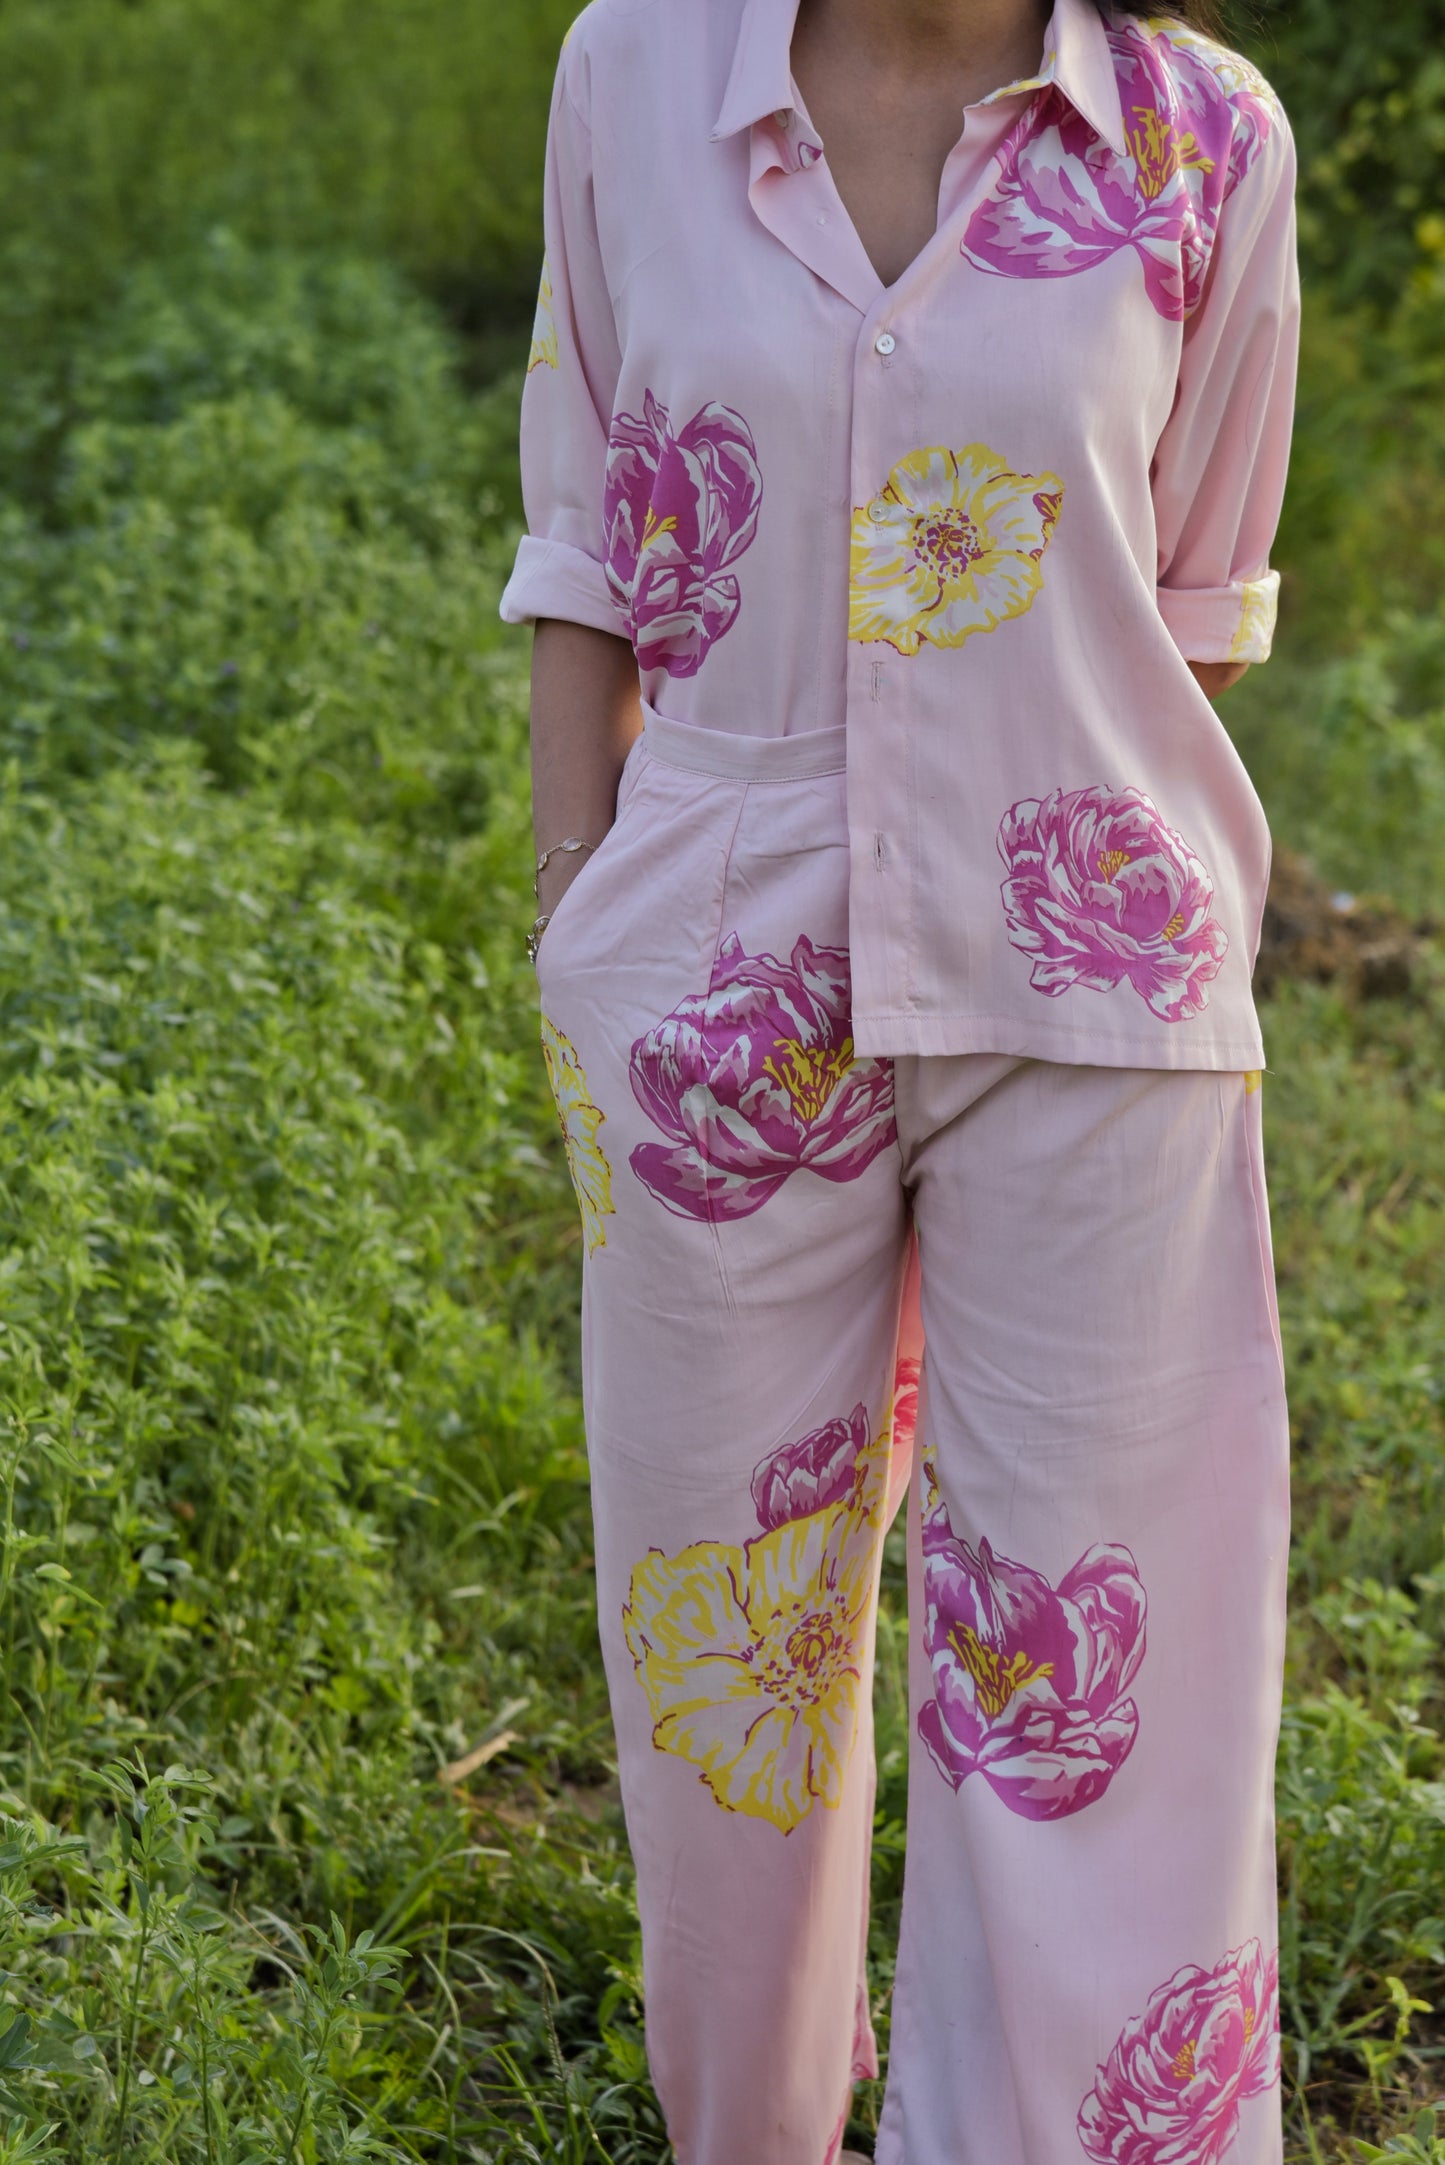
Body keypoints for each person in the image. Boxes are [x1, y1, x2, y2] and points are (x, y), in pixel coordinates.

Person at [500, 0, 1299, 2153]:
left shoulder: (1205, 137)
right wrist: (589, 907)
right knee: (730, 1671)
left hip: (1094, 995)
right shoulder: (634, 72)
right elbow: (584, 517)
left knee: (1091, 1708)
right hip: (712, 996)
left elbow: (1196, 605)